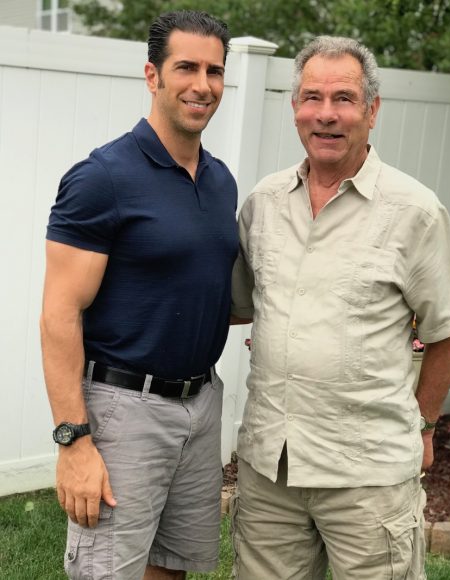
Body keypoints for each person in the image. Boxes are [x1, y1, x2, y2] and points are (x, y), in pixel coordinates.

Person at [230, 35, 450, 580]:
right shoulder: (263, 204)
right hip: (272, 470)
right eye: (312, 98)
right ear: (294, 109)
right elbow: (241, 307)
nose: (326, 115)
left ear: (372, 110)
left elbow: (447, 331)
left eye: (344, 99)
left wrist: (425, 425)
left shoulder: (415, 212)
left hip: (368, 476)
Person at [40, 10, 238, 580]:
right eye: (186, 67)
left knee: (171, 568)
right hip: (123, 409)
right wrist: (73, 441)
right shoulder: (102, 177)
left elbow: (215, 288)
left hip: (201, 405)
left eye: (215, 71)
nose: (202, 84)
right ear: (152, 75)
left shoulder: (220, 181)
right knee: (109, 572)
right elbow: (59, 314)